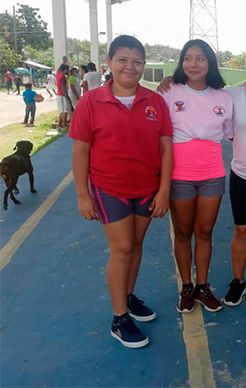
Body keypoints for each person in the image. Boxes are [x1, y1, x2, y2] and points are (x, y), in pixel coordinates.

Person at [158, 52, 246, 307]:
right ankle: (238, 281)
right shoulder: (232, 96)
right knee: (243, 231)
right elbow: (200, 89)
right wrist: (171, 80)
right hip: (243, 176)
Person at [69, 35, 173, 349]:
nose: (131, 66)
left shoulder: (155, 101)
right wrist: (83, 194)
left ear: (144, 65)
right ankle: (119, 318)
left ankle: (127, 296)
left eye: (137, 61)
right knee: (123, 248)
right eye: (123, 60)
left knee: (136, 245)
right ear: (110, 63)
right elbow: (81, 151)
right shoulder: (91, 101)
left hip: (146, 189)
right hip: (109, 188)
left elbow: (166, 149)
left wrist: (164, 190)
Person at [160, 39, 233, 313]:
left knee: (204, 232)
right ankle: (186, 287)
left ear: (210, 63)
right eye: (188, 58)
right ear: (181, 62)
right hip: (179, 175)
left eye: (200, 58)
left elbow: (233, 131)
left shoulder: (225, 97)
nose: (193, 64)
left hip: (212, 175)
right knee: (182, 232)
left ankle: (203, 286)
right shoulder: (170, 91)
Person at [55, 64, 71, 129]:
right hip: (63, 95)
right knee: (65, 111)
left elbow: (59, 68)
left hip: (59, 94)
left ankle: (59, 125)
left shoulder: (58, 74)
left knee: (62, 111)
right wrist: (67, 97)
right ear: (65, 70)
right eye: (67, 70)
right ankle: (64, 126)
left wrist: (64, 62)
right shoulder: (63, 77)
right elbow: (63, 88)